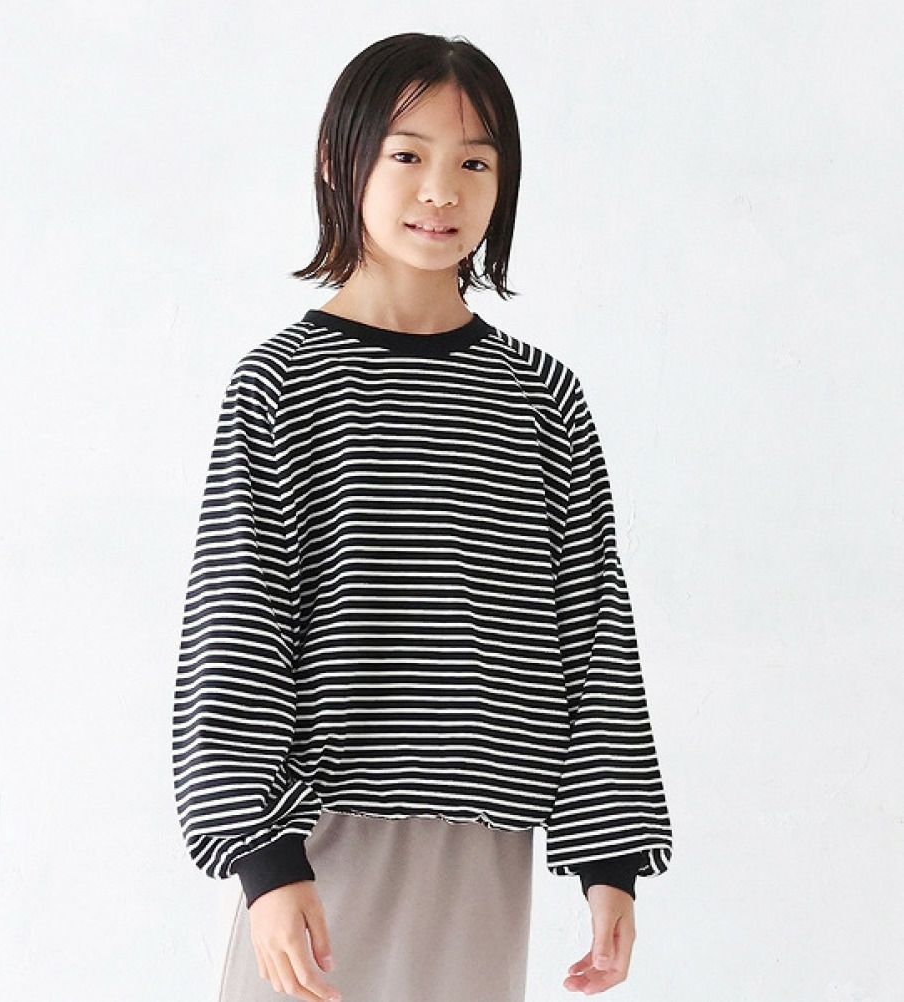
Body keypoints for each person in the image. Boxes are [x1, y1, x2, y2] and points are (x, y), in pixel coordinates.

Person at [172, 31, 673, 1002]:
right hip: (320, 834)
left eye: (474, 163)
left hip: (486, 838)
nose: (441, 191)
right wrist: (263, 860)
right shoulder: (284, 386)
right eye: (407, 155)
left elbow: (592, 625)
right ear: (340, 160)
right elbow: (237, 623)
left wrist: (607, 857)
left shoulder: (541, 398)